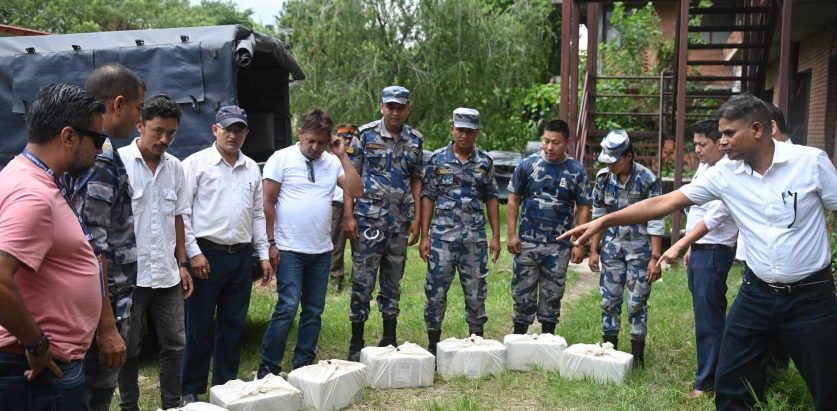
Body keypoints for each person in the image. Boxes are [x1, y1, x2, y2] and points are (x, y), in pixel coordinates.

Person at [560, 93, 837, 410]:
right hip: (756, 294)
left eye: (729, 133)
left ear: (757, 130)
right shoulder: (724, 175)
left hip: (810, 297)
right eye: (721, 134)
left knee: (827, 387)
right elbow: (665, 202)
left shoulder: (810, 162)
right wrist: (606, 220)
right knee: (731, 386)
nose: (722, 142)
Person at [0, 83, 105, 410]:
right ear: (69, 136)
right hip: (37, 371)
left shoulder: (24, 174)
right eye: (97, 139)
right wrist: (38, 344)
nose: (101, 150)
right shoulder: (34, 196)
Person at [258, 109, 363, 378]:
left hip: (320, 250)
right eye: (310, 141)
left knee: (314, 311)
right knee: (288, 307)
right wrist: (271, 243)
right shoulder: (281, 159)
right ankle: (268, 367)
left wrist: (342, 156)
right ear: (300, 134)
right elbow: (267, 203)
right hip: (289, 248)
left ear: (329, 139)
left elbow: (356, 190)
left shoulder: (332, 162)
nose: (315, 147)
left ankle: (303, 365)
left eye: (321, 142)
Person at [180, 106, 273, 403]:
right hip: (206, 255)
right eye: (227, 129)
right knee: (199, 327)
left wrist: (263, 255)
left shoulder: (251, 168)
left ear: (246, 133)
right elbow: (182, 213)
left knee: (233, 326)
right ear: (215, 130)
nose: (233, 135)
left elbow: (257, 214)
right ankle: (190, 391)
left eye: (239, 130)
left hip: (241, 256)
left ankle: (225, 387)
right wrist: (193, 253)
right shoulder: (196, 164)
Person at [67, 63, 145, 411]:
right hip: (99, 309)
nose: (139, 117)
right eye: (138, 107)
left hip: (100, 305)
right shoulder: (100, 160)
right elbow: (91, 248)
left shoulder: (96, 152)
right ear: (117, 104)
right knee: (93, 399)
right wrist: (107, 326)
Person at [117, 95, 193, 411]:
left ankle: (172, 404)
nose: (164, 139)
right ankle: (129, 406)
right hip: (129, 276)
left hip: (166, 272)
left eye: (171, 133)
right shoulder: (117, 162)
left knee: (175, 343)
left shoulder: (175, 168)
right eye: (158, 131)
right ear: (140, 125)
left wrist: (183, 262)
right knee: (129, 347)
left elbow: (178, 216)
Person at [657, 119, 738, 398]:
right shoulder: (706, 166)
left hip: (715, 251)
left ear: (720, 143)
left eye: (703, 144)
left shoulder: (729, 171)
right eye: (695, 145)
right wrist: (692, 246)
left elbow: (715, 218)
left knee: (710, 321)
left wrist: (679, 244)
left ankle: (708, 384)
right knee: (705, 317)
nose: (698, 150)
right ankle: (711, 375)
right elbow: (698, 213)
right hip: (701, 249)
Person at [344, 86, 424, 360]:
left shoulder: (415, 140)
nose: (394, 111)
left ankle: (389, 336)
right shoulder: (365, 135)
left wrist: (418, 220)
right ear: (381, 107)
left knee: (393, 280)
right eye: (390, 106)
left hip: (399, 222)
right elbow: (350, 176)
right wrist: (348, 215)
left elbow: (416, 179)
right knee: (362, 280)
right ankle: (357, 341)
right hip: (369, 219)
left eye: (400, 107)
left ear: (408, 109)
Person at [419, 108, 500, 353]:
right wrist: (425, 236)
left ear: (476, 132)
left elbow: (492, 198)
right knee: (435, 293)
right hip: (442, 239)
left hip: (474, 240)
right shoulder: (436, 160)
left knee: (476, 294)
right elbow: (428, 197)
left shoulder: (485, 162)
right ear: (452, 129)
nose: (463, 135)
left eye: (469, 131)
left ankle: (476, 340)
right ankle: (433, 343)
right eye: (459, 130)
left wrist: (496, 236)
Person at [506, 119, 592, 335]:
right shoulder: (527, 165)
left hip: (559, 245)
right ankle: (519, 339)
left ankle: (548, 340)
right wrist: (511, 234)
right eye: (546, 141)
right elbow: (513, 199)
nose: (550, 147)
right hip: (527, 242)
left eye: (555, 142)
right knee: (522, 294)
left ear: (567, 143)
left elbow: (584, 207)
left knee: (552, 296)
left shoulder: (576, 171)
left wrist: (580, 242)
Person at [588, 130, 663, 368]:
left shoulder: (647, 179)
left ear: (628, 156)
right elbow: (598, 216)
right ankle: (610, 351)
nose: (609, 165)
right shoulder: (602, 179)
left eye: (614, 160)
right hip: (612, 249)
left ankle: (637, 355)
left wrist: (655, 257)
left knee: (636, 302)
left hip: (640, 251)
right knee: (609, 301)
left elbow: (657, 219)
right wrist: (594, 250)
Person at [329, 124, 359, 292]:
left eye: (351, 137)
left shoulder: (360, 155)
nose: (347, 140)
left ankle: (358, 277)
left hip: (358, 205)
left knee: (358, 243)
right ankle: (335, 278)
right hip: (337, 205)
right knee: (336, 244)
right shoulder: (331, 157)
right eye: (344, 137)